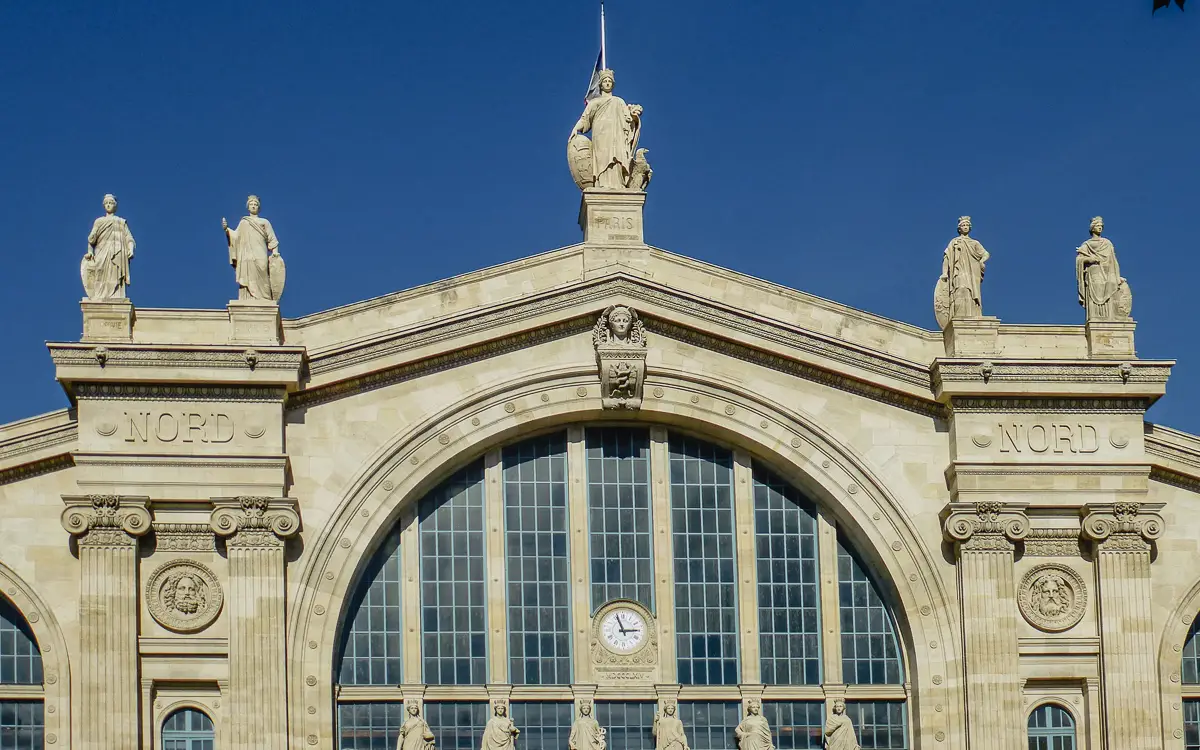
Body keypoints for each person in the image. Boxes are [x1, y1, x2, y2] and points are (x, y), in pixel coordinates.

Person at [571, 70, 643, 189]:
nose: (608, 83)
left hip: (616, 134)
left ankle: (618, 183)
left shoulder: (618, 101)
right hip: (600, 133)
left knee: (617, 157)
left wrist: (634, 115)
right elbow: (584, 119)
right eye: (605, 81)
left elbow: (628, 119)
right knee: (602, 157)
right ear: (601, 84)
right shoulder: (595, 102)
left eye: (610, 81)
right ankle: (601, 182)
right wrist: (575, 129)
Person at [222, 195, 280, 300]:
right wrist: (227, 230)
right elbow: (236, 236)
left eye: (255, 204)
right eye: (251, 204)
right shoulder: (244, 222)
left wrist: (275, 253)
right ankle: (249, 297)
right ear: (248, 207)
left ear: (258, 207)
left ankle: (265, 297)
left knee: (262, 270)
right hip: (247, 254)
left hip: (260, 251)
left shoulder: (264, 222)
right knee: (248, 273)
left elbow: (272, 238)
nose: (253, 206)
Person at [82, 194, 135, 300]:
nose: (108, 205)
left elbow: (129, 238)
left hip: (118, 252)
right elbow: (91, 240)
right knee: (100, 272)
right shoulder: (99, 221)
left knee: (116, 273)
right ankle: (99, 295)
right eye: (106, 203)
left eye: (111, 203)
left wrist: (131, 248)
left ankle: (116, 295)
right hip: (102, 252)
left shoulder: (121, 222)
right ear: (104, 205)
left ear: (115, 205)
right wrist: (90, 251)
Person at [1076, 216, 1128, 320]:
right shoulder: (1086, 245)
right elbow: (1079, 260)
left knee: (1109, 291)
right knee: (1096, 291)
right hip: (1094, 272)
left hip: (1107, 273)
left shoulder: (1107, 243)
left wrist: (1117, 277)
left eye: (1101, 226)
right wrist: (1089, 259)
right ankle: (1096, 318)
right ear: (1092, 227)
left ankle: (1108, 318)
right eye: (1098, 226)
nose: (1100, 228)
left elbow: (1113, 261)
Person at [939, 216, 989, 320]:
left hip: (972, 272)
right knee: (961, 290)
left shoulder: (974, 243)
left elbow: (986, 253)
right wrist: (944, 273)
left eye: (967, 225)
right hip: (959, 271)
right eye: (963, 225)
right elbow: (947, 257)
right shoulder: (954, 242)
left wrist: (982, 261)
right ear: (959, 228)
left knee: (972, 294)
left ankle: (973, 315)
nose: (965, 227)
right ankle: (958, 316)